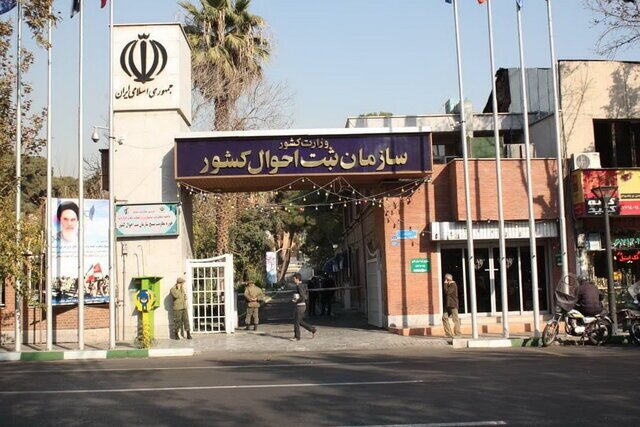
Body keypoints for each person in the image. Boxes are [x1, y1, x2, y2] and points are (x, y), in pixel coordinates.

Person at [291, 272, 317, 341]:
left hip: (300, 306)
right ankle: (312, 329)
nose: (293, 280)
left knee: (297, 321)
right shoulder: (300, 285)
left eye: (294, 278)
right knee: (299, 321)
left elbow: (303, 297)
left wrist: (296, 301)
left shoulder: (299, 286)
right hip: (301, 305)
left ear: (297, 279)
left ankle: (297, 336)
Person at [442, 273, 461, 338]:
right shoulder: (449, 285)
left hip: (453, 305)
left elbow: (447, 292)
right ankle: (448, 333)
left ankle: (458, 334)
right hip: (447, 305)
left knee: (455, 319)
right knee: (444, 318)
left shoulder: (453, 284)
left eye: (445, 279)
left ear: (447, 279)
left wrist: (445, 284)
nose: (444, 280)